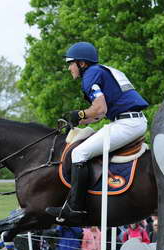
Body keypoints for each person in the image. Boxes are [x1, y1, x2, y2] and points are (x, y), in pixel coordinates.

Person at [46, 41, 149, 222]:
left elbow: (99, 108)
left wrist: (79, 113)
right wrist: (78, 119)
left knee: (79, 152)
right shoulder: (103, 70)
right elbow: (99, 115)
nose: (69, 68)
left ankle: (75, 209)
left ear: (82, 64)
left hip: (126, 124)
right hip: (131, 120)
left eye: (71, 63)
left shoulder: (91, 75)